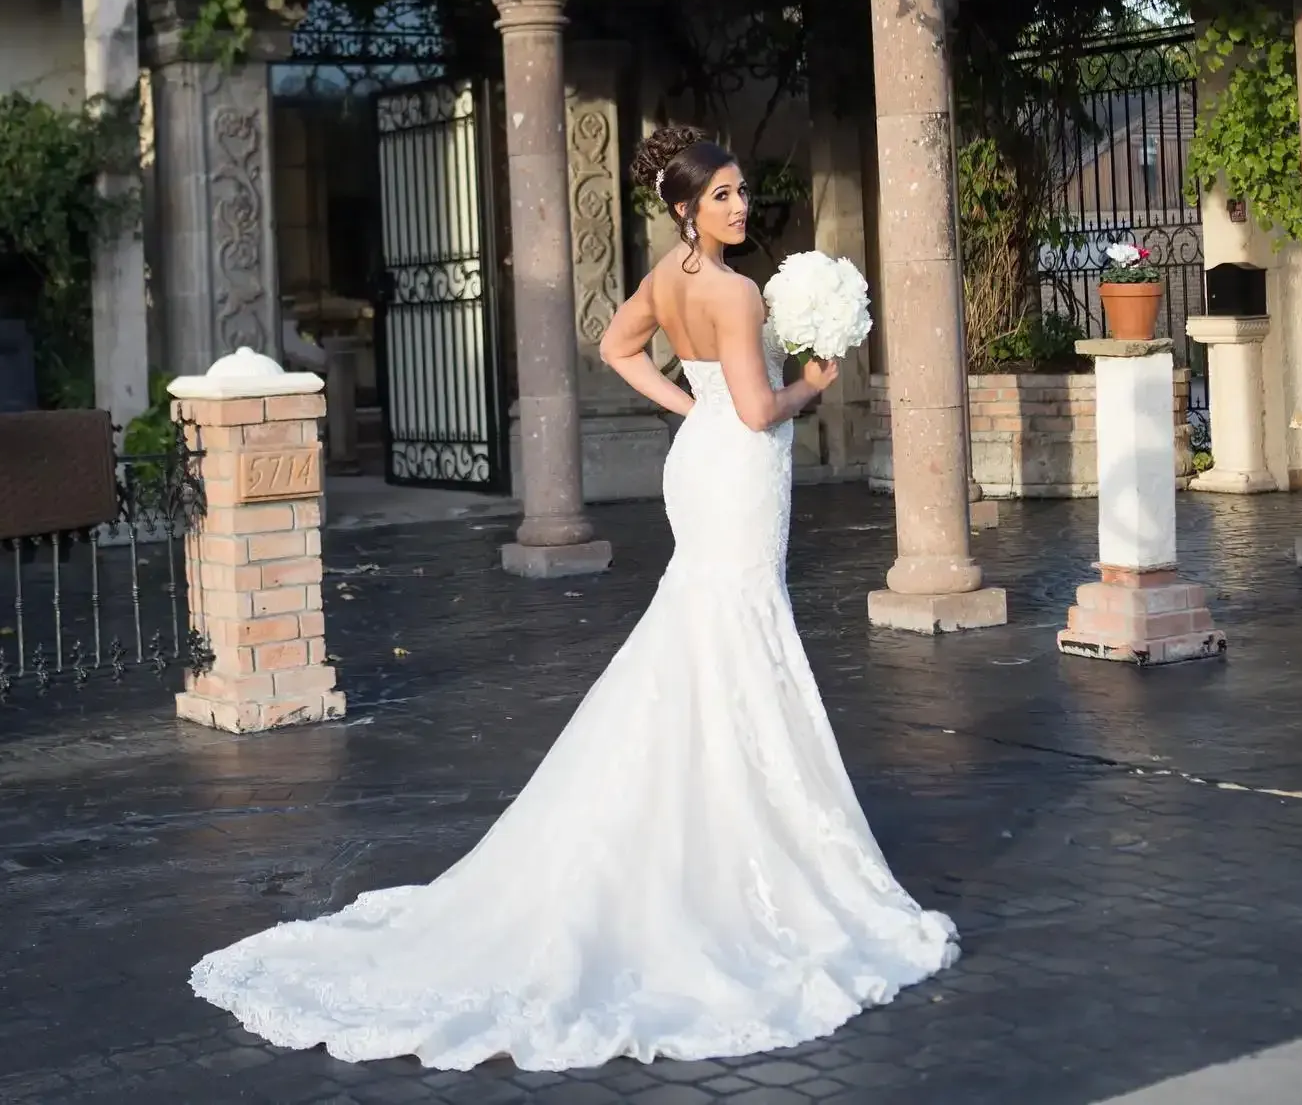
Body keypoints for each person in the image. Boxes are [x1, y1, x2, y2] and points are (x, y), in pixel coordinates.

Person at [189, 126, 958, 1072]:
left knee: (704, 625)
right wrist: (808, 385)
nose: (739, 206)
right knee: (734, 623)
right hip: (739, 467)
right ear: (687, 207)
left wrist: (693, 410)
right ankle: (736, 833)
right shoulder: (736, 289)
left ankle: (709, 808)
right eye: (721, 195)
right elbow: (757, 411)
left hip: (702, 465)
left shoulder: (666, 279)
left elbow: (617, 346)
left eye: (742, 191)